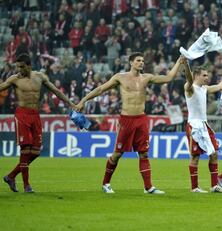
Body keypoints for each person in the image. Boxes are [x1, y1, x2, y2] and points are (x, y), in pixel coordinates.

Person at [75, 52, 184, 194]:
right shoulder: (120, 77)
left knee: (144, 153)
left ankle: (148, 187)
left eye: (143, 61)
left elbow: (168, 78)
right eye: (138, 60)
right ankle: (105, 183)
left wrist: (179, 61)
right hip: (126, 120)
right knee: (117, 153)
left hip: (141, 119)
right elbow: (101, 89)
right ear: (131, 62)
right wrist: (83, 100)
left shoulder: (147, 78)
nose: (141, 63)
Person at [0, 53, 75, 193]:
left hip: (35, 115)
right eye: (17, 67)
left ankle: (11, 176)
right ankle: (26, 185)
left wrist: (71, 103)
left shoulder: (40, 77)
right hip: (22, 114)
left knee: (35, 152)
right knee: (25, 150)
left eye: (21, 67)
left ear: (29, 65)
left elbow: (56, 90)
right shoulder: (14, 79)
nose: (19, 70)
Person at [182, 59, 222, 193]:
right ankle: (194, 188)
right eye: (204, 75)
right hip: (194, 125)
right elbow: (188, 77)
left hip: (204, 125)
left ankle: (214, 185)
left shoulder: (204, 89)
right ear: (196, 76)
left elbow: (219, 86)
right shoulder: (190, 88)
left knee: (214, 153)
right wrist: (186, 65)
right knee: (195, 157)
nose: (207, 77)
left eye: (207, 75)